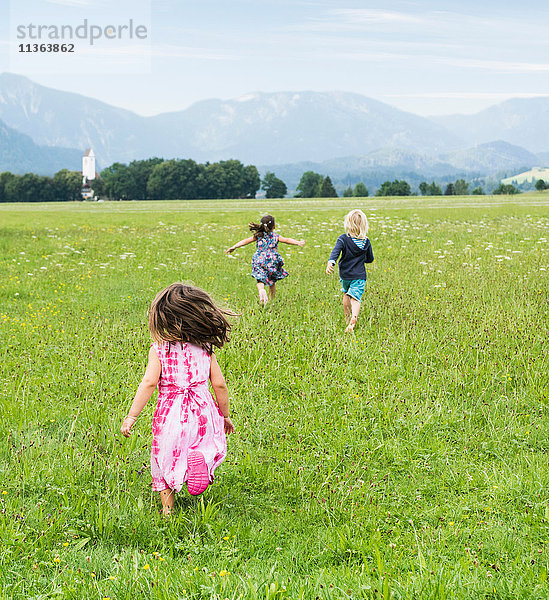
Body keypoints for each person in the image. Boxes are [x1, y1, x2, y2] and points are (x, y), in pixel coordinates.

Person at [121, 283, 235, 515]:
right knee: (202, 444)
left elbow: (149, 383)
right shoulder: (205, 348)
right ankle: (199, 460)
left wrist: (131, 416)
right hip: (203, 411)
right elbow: (220, 385)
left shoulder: (160, 350)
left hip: (171, 413)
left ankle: (168, 509)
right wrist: (225, 416)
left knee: (166, 453)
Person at [225, 214, 305, 305]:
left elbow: (245, 241)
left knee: (260, 280)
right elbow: (287, 240)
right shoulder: (276, 236)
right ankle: (271, 300)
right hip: (272, 260)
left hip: (259, 260)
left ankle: (261, 290)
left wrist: (234, 246)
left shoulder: (259, 235)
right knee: (272, 281)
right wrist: (298, 242)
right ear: (274, 226)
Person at [326, 209, 374, 332]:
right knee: (355, 298)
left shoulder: (343, 239)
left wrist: (331, 261)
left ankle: (347, 319)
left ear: (347, 224)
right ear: (364, 225)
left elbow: (335, 251)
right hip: (359, 275)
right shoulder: (366, 242)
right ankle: (353, 320)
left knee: (346, 294)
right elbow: (370, 259)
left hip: (345, 274)